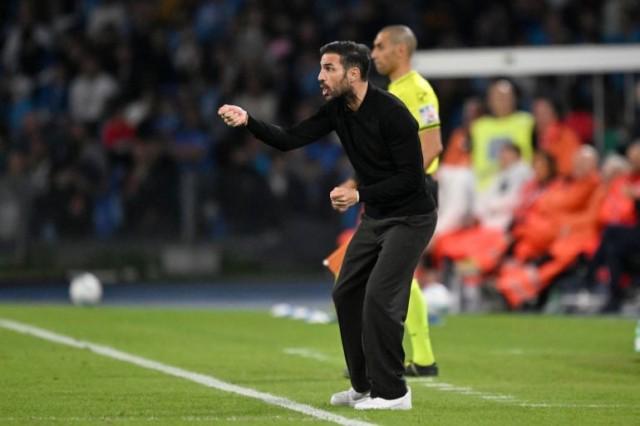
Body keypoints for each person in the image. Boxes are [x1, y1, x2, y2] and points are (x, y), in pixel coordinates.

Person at [219, 41, 437, 410]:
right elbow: (290, 139)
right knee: (346, 293)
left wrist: (358, 194)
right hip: (378, 217)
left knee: (379, 298)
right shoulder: (338, 109)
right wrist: (249, 121)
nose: (320, 76)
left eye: (328, 68)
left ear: (354, 73)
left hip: (411, 218)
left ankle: (394, 392)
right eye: (321, 68)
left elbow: (411, 180)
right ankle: (364, 386)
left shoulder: (393, 113)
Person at [470, 79, 534, 191]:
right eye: (498, 98)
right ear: (489, 100)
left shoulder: (527, 121)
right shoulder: (479, 126)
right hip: (486, 185)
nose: (503, 101)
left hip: (518, 182)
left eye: (507, 97)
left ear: (514, 99)